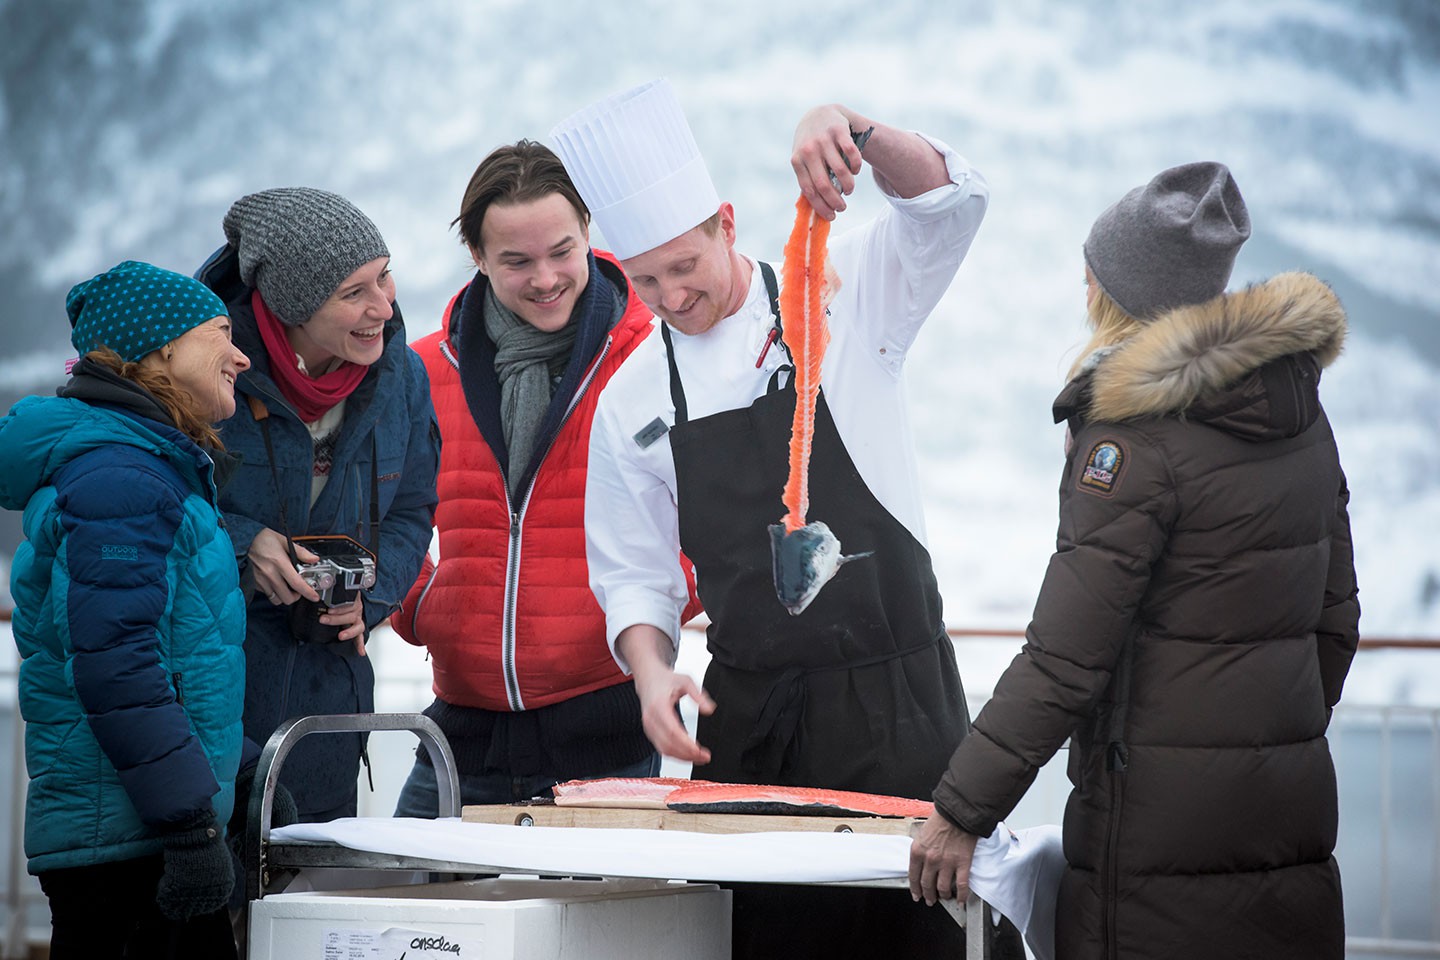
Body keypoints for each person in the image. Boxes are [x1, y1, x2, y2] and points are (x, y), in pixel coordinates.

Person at [552, 78, 996, 958]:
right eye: (646, 281)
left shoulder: (840, 290)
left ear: (724, 222)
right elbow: (633, 574)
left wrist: (857, 131)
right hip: (752, 723)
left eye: (686, 266)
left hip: (897, 706)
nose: (673, 297)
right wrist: (650, 675)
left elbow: (952, 205)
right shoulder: (631, 399)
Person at [909, 162, 1359, 960]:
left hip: (1155, 840)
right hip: (1284, 816)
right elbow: (1335, 620)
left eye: (1095, 267)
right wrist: (1257, 734)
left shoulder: (1130, 444)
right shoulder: (1298, 412)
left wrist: (960, 811)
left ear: (1117, 293)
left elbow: (1064, 660)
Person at [390, 141, 698, 815]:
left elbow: (719, 515)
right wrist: (417, 604)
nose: (547, 277)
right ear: (476, 255)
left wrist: (648, 611)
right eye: (517, 261)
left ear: (589, 231)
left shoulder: (657, 361)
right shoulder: (421, 371)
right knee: (411, 915)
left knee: (599, 925)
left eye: (562, 250)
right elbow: (383, 515)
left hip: (607, 733)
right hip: (458, 734)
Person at [0, 261, 250, 958]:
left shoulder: (144, 467)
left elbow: (179, 660)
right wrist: (190, 824)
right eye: (221, 334)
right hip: (129, 848)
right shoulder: (120, 478)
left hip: (138, 830)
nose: (242, 354)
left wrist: (243, 768)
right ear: (162, 349)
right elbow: (119, 670)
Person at [195, 188, 440, 824]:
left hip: (331, 706)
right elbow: (159, 502)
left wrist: (373, 596)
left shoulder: (401, 379)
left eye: (385, 277)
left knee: (312, 909)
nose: (383, 307)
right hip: (214, 696)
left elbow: (412, 509)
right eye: (353, 292)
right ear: (292, 304)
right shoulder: (207, 374)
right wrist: (246, 542)